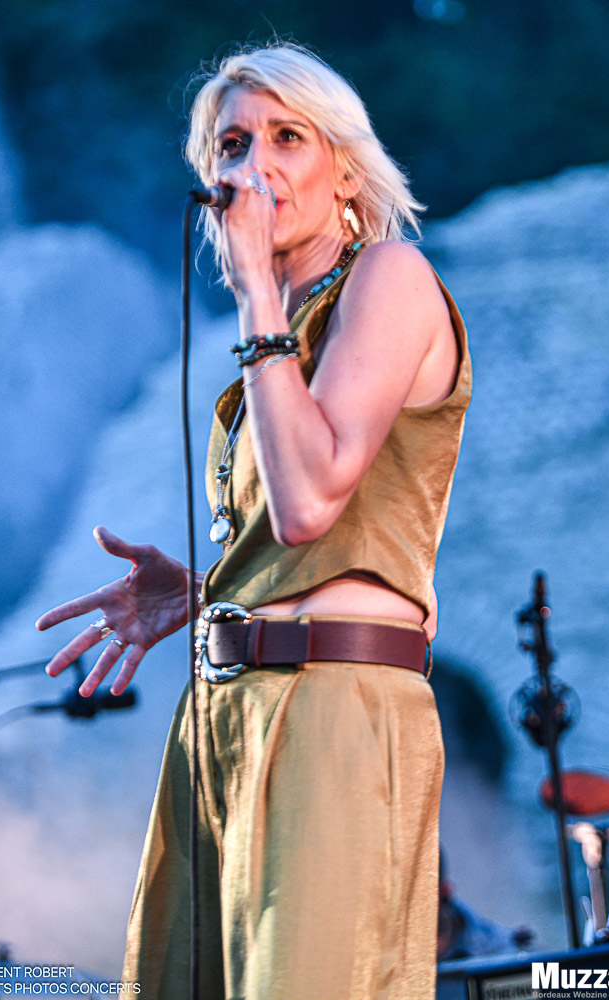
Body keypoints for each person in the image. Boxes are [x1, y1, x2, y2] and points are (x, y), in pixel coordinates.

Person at [37, 42, 471, 1000]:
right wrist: (212, 594)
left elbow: (312, 503)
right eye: (232, 146)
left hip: (332, 706)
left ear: (344, 171)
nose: (255, 166)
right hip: (224, 711)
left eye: (287, 137)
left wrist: (256, 298)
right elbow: (316, 531)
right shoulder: (272, 343)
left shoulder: (387, 279)